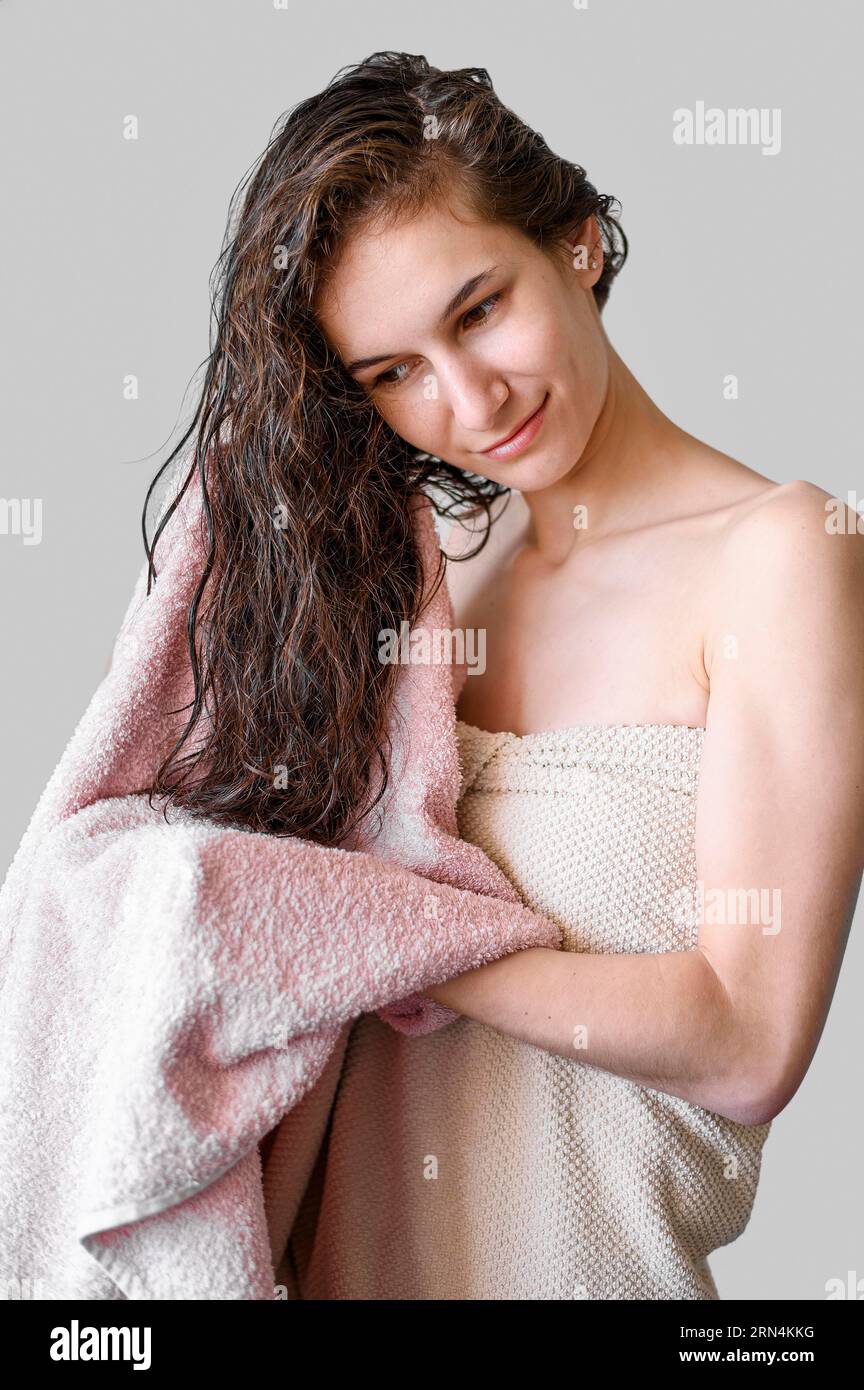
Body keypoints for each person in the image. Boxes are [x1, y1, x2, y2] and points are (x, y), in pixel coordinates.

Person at [261, 52, 862, 1300]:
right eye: (394, 372)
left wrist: (389, 938)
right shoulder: (424, 579)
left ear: (577, 244)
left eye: (480, 309)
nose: (470, 401)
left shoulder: (782, 556)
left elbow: (748, 1041)